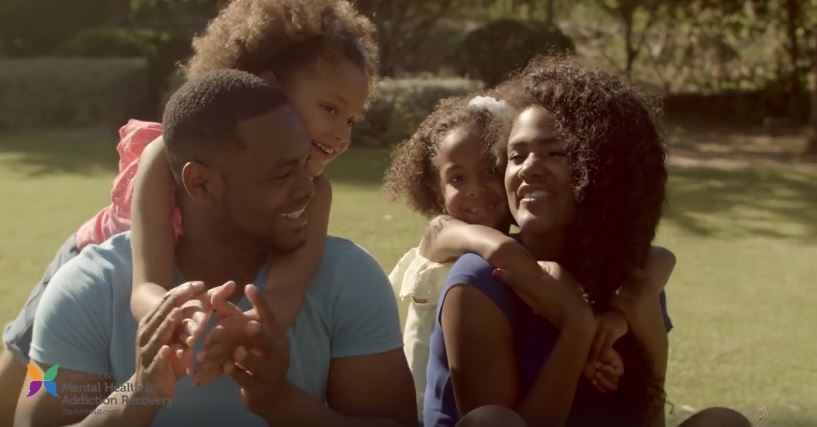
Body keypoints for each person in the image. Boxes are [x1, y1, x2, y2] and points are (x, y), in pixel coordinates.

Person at [0, 0, 378, 421]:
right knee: (18, 386)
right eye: (329, 109)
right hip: (102, 256)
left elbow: (284, 293)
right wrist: (180, 316)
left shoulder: (316, 192)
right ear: (268, 87)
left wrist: (242, 328)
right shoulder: (166, 155)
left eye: (351, 120)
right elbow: (148, 283)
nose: (341, 135)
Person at [424, 57, 750, 427]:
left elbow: (643, 418)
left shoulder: (631, 283)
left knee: (723, 422)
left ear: (604, 163)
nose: (528, 168)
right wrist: (577, 328)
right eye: (517, 155)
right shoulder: (483, 281)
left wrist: (653, 342)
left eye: (555, 152)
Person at [384, 94, 628, 421]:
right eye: (458, 178)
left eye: (489, 171)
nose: (475, 189)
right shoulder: (443, 231)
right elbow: (501, 250)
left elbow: (658, 259)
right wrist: (567, 306)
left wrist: (616, 319)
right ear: (438, 192)